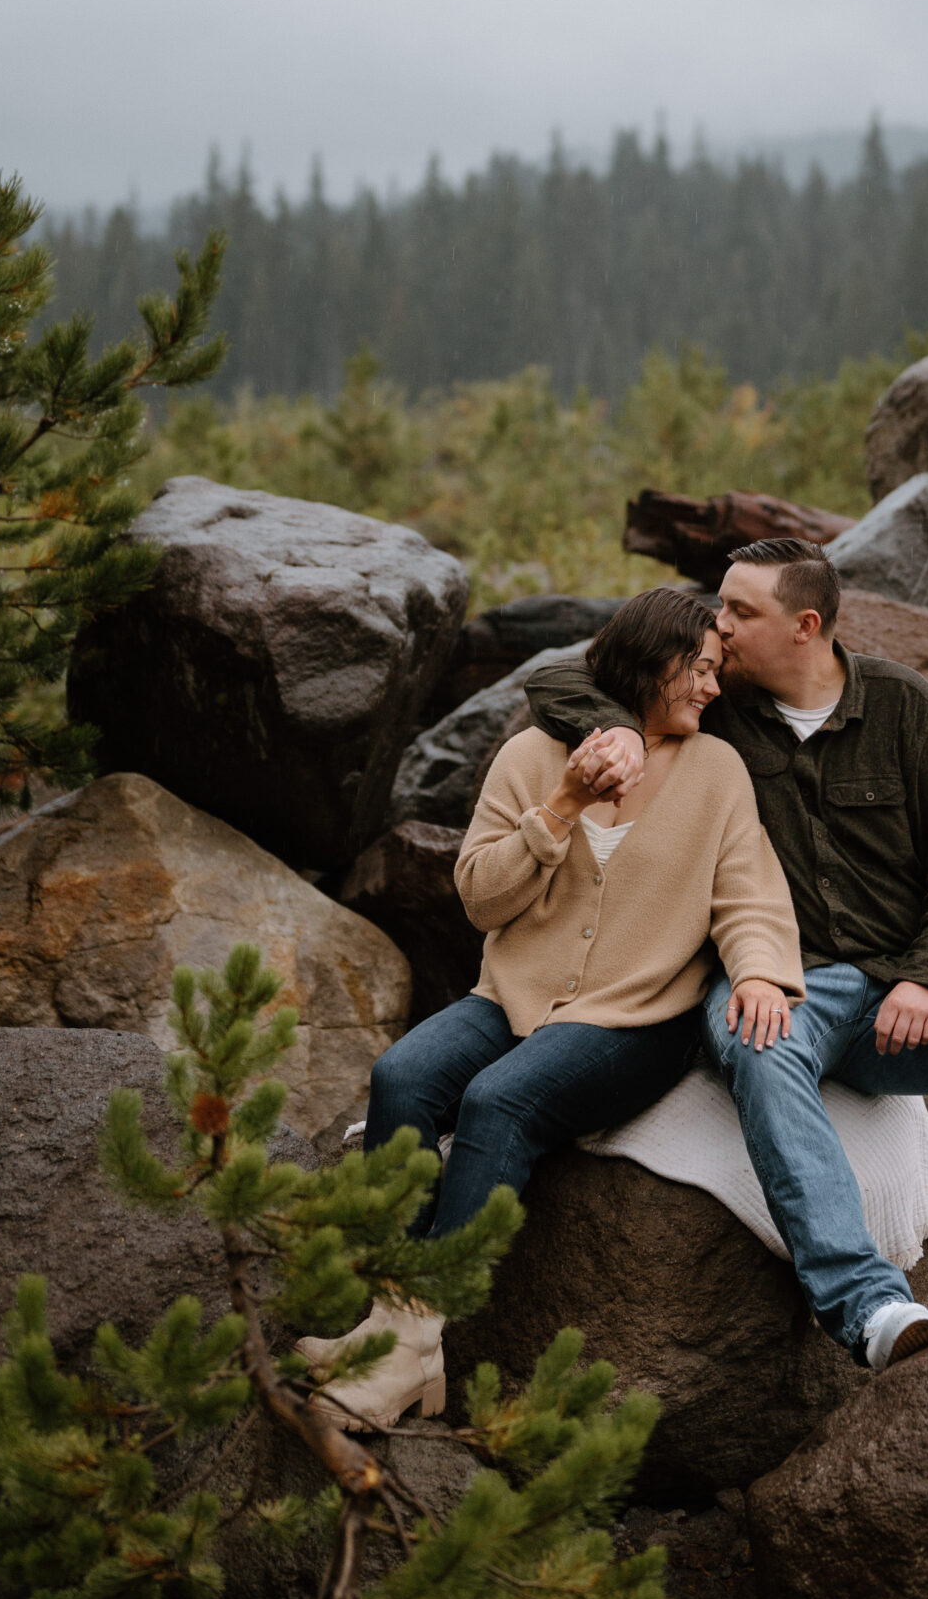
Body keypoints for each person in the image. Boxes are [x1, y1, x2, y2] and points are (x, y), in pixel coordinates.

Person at [525, 536, 928, 1374]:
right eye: (720, 607)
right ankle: (866, 1302)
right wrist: (614, 732)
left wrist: (925, 978)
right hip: (779, 979)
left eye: (741, 612)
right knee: (757, 1038)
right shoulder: (714, 707)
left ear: (804, 626)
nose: (720, 627)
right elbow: (558, 677)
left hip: (897, 987)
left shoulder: (903, 708)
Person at [298, 583, 804, 1430]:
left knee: (501, 1100)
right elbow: (480, 901)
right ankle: (392, 1330)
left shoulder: (716, 770)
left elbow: (747, 895)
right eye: (701, 670)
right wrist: (561, 805)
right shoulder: (531, 757)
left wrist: (758, 974)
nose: (713, 689)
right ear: (652, 662)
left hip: (634, 1018)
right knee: (401, 1076)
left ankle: (414, 1341)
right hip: (513, 994)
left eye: (718, 672)